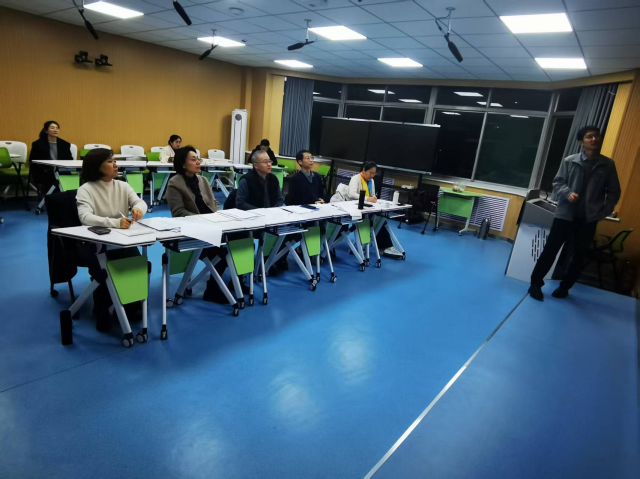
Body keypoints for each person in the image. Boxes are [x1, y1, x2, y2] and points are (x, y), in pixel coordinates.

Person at [529, 125, 621, 301]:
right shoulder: (570, 161)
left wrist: (603, 212)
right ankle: (535, 284)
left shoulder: (608, 165)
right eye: (589, 136)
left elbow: (614, 192)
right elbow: (558, 182)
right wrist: (568, 193)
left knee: (579, 255)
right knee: (550, 250)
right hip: (565, 215)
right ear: (581, 142)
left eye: (596, 136)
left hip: (588, 218)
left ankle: (565, 287)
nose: (594, 139)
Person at [76, 148, 148, 331]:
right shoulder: (86, 189)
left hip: (123, 240)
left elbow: (139, 202)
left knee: (135, 265)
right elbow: (85, 217)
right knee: (105, 272)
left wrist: (138, 209)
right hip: (97, 243)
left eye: (115, 160)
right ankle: (101, 308)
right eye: (110, 161)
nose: (115, 165)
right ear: (97, 166)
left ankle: (129, 305)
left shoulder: (122, 185)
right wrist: (114, 222)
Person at [167, 146, 228, 304]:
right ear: (183, 164)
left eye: (198, 159)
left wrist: (219, 216)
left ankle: (234, 282)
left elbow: (214, 203)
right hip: (192, 232)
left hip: (212, 226)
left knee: (235, 242)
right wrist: (204, 220)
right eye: (193, 159)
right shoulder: (174, 183)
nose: (198, 162)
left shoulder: (203, 180)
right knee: (221, 251)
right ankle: (212, 290)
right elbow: (178, 213)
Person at [347, 162, 402, 259]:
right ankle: (381, 246)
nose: (372, 175)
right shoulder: (355, 178)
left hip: (368, 208)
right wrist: (367, 198)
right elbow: (351, 194)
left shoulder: (371, 181)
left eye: (374, 173)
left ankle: (386, 246)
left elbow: (372, 194)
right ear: (364, 171)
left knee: (381, 219)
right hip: (355, 209)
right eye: (370, 173)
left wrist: (373, 198)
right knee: (373, 220)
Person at [28, 120, 73, 196]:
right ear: (46, 130)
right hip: (44, 171)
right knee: (49, 178)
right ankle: (49, 198)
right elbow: (32, 160)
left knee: (71, 177)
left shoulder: (65, 144)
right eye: (52, 128)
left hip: (61, 170)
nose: (55, 130)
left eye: (57, 128)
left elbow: (70, 159)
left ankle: (63, 197)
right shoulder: (38, 144)